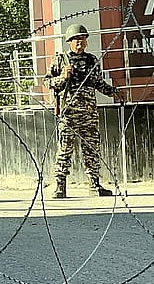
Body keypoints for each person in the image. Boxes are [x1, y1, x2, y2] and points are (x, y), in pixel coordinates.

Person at [45, 24, 124, 199]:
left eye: (82, 40)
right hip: (69, 114)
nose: (79, 43)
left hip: (89, 114)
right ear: (69, 42)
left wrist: (114, 92)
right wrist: (63, 77)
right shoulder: (60, 60)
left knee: (92, 149)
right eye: (76, 40)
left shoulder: (91, 61)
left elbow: (98, 83)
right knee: (65, 150)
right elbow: (48, 83)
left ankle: (94, 184)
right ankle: (60, 185)